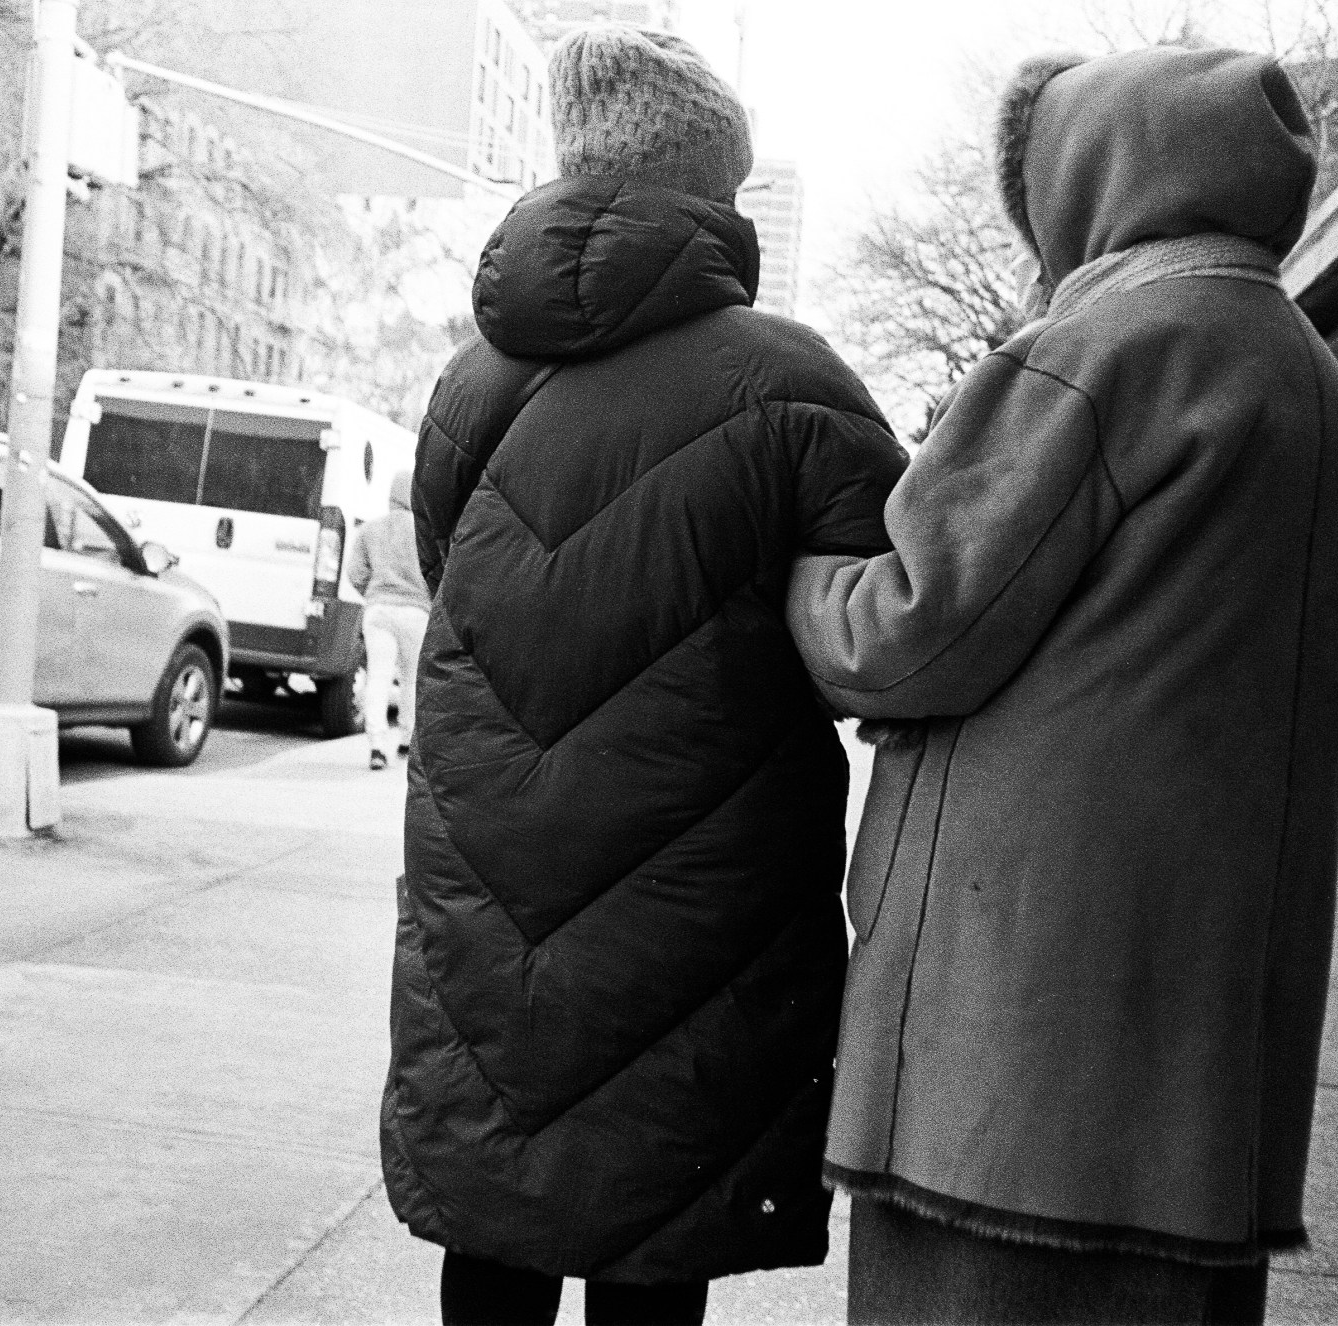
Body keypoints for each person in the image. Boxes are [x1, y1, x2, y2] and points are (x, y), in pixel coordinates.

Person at [786, 46, 1338, 1325]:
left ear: (1090, 174)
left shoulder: (1102, 350)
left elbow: (906, 631)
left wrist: (801, 573)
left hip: (1016, 1046)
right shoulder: (1315, 385)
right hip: (1202, 1065)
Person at [382, 25, 907, 1326]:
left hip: (492, 869)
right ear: (711, 197)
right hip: (700, 888)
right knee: (656, 1232)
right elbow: (888, 625)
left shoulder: (472, 384)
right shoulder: (794, 383)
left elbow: (456, 579)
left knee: (499, 1202)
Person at [346, 470, 431, 771]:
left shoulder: (371, 530)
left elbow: (355, 573)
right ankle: (407, 739)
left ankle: (377, 747)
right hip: (416, 613)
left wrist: (371, 592)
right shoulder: (425, 533)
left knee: (378, 678)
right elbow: (437, 571)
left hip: (379, 610)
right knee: (410, 678)